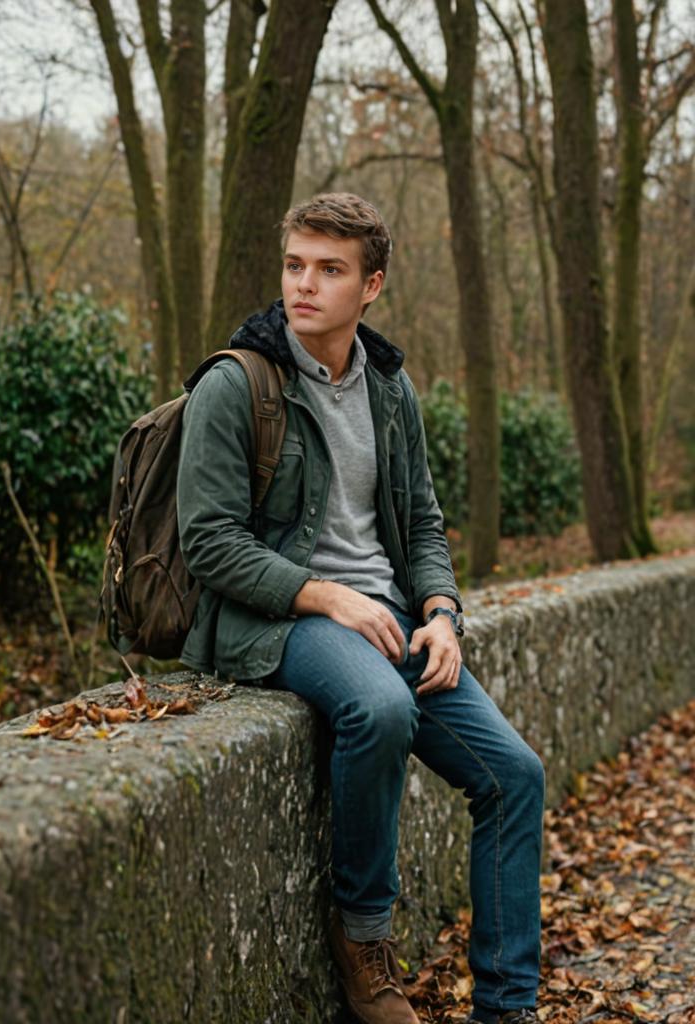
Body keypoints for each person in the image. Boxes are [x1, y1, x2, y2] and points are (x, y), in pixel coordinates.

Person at [177, 193, 544, 1024]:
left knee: (516, 777)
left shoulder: (388, 385)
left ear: (371, 285)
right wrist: (325, 595)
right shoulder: (235, 384)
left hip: (385, 617)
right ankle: (366, 946)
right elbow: (208, 542)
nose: (304, 285)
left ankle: (508, 1006)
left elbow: (419, 523)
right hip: (278, 619)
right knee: (378, 707)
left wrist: (444, 610)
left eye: (330, 270)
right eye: (295, 265)